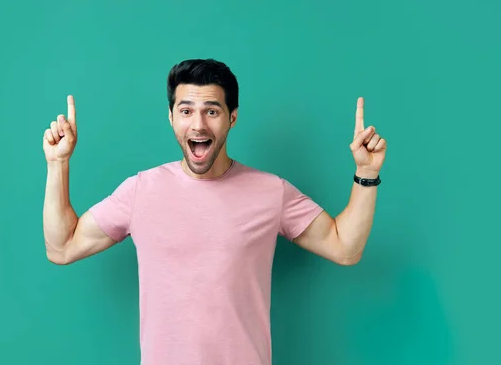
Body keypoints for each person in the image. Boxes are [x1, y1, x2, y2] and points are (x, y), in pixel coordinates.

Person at [42, 59, 387, 365]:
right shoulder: (140, 191)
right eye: (186, 110)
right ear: (171, 116)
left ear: (232, 117)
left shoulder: (271, 192)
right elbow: (63, 247)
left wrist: (367, 174)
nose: (198, 126)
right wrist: (58, 164)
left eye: (211, 110)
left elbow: (345, 248)